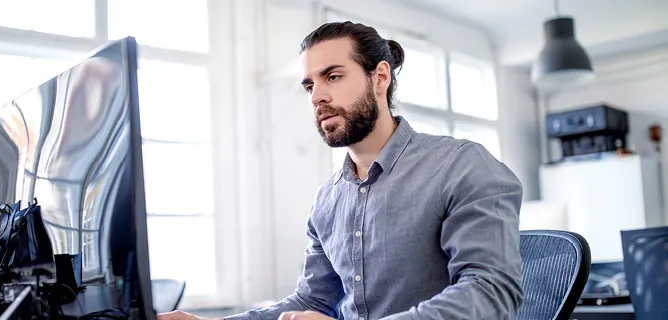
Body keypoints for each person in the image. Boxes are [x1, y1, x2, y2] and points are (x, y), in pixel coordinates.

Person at [159, 21, 524, 320]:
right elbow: (313, 301)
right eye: (309, 85)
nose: (317, 96)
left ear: (380, 77)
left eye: (332, 76)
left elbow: (492, 292)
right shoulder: (327, 200)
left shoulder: (460, 165)